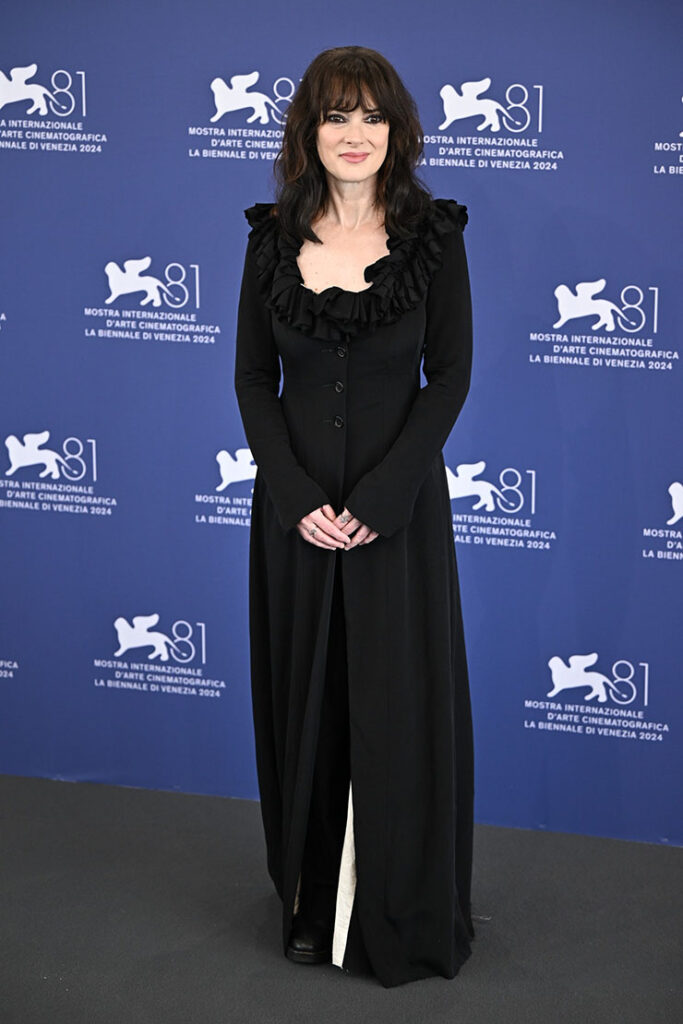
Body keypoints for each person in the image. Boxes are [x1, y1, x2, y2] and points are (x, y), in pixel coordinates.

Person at [233, 45, 475, 989]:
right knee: (307, 699)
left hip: (398, 518)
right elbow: (254, 379)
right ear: (309, 130)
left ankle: (396, 915)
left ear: (395, 131)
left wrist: (380, 500)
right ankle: (305, 901)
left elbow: (448, 376)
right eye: (336, 115)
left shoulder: (435, 238)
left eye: (370, 116)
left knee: (393, 708)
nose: (353, 134)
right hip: (293, 520)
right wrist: (296, 500)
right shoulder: (267, 240)